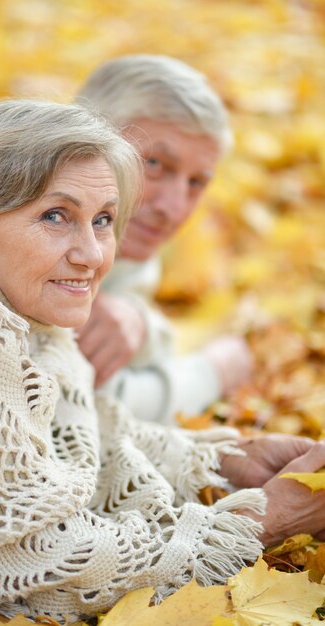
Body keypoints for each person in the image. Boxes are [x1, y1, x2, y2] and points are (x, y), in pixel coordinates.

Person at [0, 99, 325, 624]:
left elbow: (78, 434)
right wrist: (264, 522)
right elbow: (34, 561)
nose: (91, 254)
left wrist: (226, 463)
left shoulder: (15, 300)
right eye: (55, 216)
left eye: (102, 219)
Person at [76, 54, 253, 423]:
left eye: (196, 182)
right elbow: (93, 413)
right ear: (83, 137)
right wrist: (215, 371)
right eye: (155, 164)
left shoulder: (123, 235)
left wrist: (139, 322)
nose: (173, 209)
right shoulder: (24, 236)